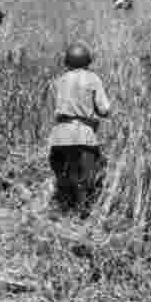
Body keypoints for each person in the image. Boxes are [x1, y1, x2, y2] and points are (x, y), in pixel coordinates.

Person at [47, 44, 110, 218]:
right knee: (86, 182)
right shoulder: (92, 79)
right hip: (84, 135)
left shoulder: (59, 80)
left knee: (64, 180)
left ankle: (62, 214)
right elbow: (104, 109)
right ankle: (82, 218)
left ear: (67, 61)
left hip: (59, 136)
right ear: (87, 61)